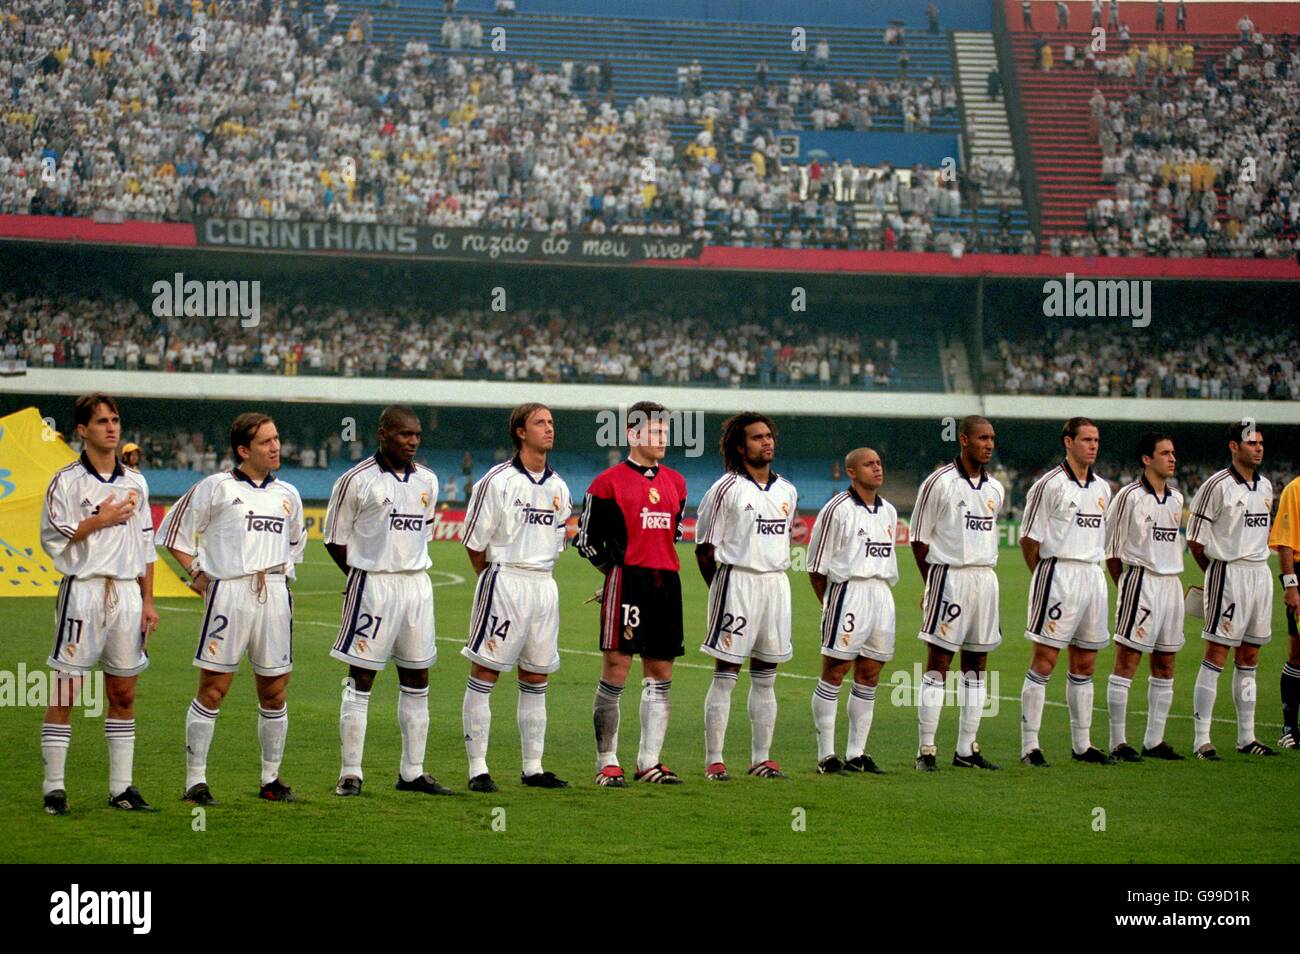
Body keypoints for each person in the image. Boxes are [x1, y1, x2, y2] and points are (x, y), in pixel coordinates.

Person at [159, 412, 306, 805]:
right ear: (244, 450)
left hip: (274, 593)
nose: (276, 447)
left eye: (277, 439)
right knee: (213, 689)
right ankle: (195, 781)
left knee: (275, 692)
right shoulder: (216, 487)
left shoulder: (288, 494)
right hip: (230, 594)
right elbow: (172, 533)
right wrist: (197, 571)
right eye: (266, 442)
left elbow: (295, 546)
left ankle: (271, 780)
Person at [40, 394, 159, 815]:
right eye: (102, 421)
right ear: (82, 431)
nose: (111, 427)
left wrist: (148, 600)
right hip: (84, 591)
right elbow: (54, 534)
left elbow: (147, 545)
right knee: (67, 690)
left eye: (115, 420)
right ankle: (54, 787)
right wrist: (101, 519)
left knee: (124, 692)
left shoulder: (137, 483)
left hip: (127, 594)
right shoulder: (67, 481)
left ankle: (121, 788)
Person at [325, 406, 452, 797]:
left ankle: (412, 772)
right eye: (403, 435)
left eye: (416, 435)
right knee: (361, 678)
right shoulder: (356, 480)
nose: (412, 441)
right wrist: (361, 576)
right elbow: (334, 538)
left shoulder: (428, 481)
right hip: (373, 585)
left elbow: (421, 533)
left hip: (416, 587)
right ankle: (350, 772)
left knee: (418, 678)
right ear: (383, 434)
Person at [460, 404, 572, 792]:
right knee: (486, 672)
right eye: (540, 422)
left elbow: (559, 541)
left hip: (544, 584)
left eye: (552, 422)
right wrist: (493, 579)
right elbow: (475, 544)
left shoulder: (559, 486)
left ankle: (533, 768)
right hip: (505, 578)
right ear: (521, 432)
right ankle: (478, 769)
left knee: (536, 676)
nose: (549, 428)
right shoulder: (498, 481)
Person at [576, 401, 689, 786]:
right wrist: (614, 577)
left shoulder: (677, 482)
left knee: (660, 673)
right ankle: (607, 762)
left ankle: (649, 762)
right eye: (654, 432)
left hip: (666, 583)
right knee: (617, 669)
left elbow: (673, 534)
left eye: (664, 432)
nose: (661, 439)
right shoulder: (605, 483)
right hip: (627, 582)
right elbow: (587, 541)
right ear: (632, 434)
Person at [696, 412, 798, 780]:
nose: (766, 442)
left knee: (766, 674)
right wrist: (723, 592)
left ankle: (761, 759)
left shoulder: (787, 490)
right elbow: (705, 548)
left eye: (769, 436)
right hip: (737, 582)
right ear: (741, 447)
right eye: (757, 438)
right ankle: (715, 760)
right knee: (726, 673)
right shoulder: (726, 489)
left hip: (775, 584)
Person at [1017, 418, 1115, 766]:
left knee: (1086, 662)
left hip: (1093, 575)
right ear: (1068, 442)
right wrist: (1045, 575)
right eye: (1086, 439)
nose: (1093, 445)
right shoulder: (1050, 485)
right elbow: (1029, 539)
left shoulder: (1104, 488)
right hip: (1058, 573)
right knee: (1045, 661)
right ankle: (1030, 746)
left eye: (1097, 440)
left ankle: (1082, 745)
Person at [911, 416, 1005, 771]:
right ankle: (926, 749)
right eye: (983, 437)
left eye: (992, 438)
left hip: (985, 579)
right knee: (939, 664)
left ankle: (967, 749)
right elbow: (918, 539)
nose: (989, 444)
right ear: (963, 439)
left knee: (977, 665)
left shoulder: (996, 488)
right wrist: (931, 583)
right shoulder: (938, 483)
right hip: (949, 577)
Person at [1186, 423, 1277, 758]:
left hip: (1260, 575)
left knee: (1250, 657)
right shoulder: (1216, 486)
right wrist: (1215, 575)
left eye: (1261, 443)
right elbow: (1195, 541)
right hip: (1228, 572)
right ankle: (1201, 739)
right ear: (1233, 447)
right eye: (1251, 443)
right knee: (1216, 656)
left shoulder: (1266, 486)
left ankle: (1247, 737)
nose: (1258, 448)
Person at [807, 448, 897, 775]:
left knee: (870, 674)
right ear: (851, 472)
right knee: (835, 670)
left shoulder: (888, 510)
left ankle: (856, 753)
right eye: (868, 464)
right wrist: (831, 604)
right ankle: (826, 756)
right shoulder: (836, 509)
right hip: (848, 591)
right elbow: (816, 568)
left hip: (881, 594)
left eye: (878, 462)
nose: (877, 468)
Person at [1104, 432, 1185, 763]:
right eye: (1165, 453)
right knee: (1127, 661)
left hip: (1171, 585)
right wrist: (1125, 586)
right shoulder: (1128, 497)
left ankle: (1155, 740)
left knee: (1165, 663)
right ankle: (1118, 742)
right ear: (1146, 459)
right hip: (1140, 581)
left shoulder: (1178, 499)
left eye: (1173, 452)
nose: (1172, 458)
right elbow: (1111, 551)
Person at [1269, 469, 1300, 749]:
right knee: (1298, 653)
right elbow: (1286, 543)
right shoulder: (1295, 489)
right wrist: (1291, 586)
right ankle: (1289, 727)